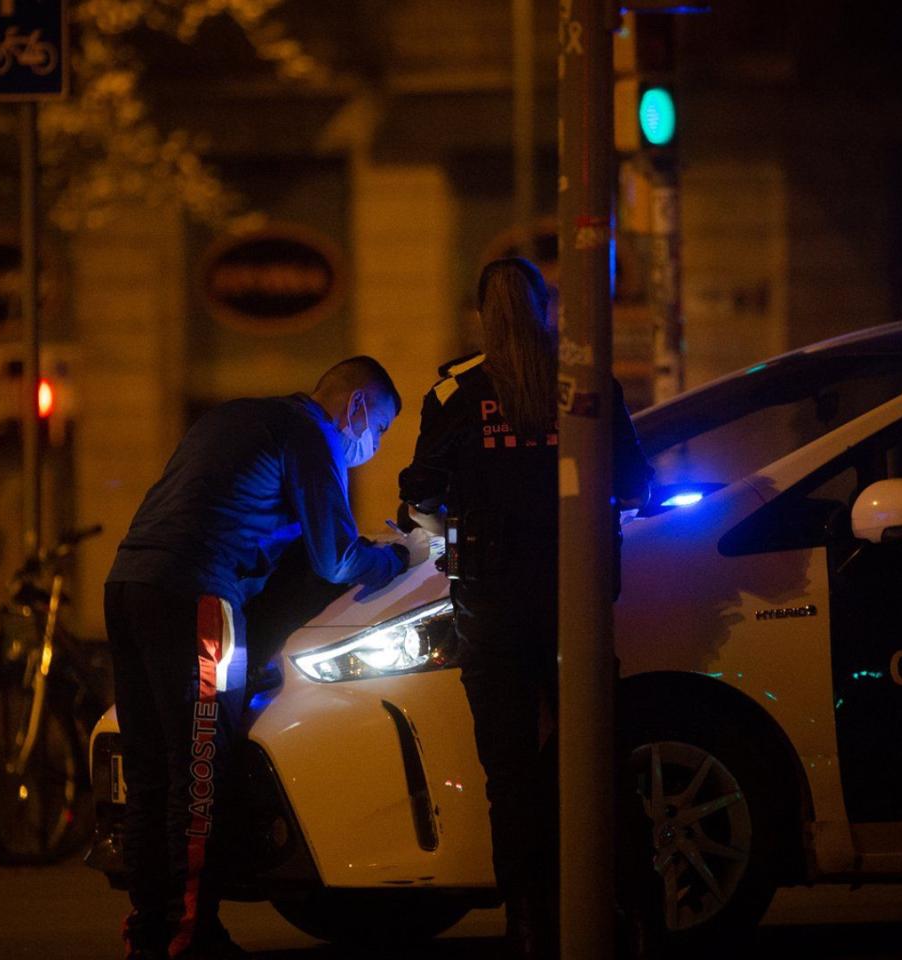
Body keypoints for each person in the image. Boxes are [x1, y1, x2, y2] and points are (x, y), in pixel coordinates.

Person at [105, 356, 434, 960]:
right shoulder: (310, 435)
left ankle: (149, 927)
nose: (373, 442)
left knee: (150, 774)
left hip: (127, 587)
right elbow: (335, 558)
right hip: (198, 597)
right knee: (199, 771)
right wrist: (398, 557)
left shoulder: (238, 418)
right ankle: (191, 933)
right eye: (380, 427)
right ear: (356, 406)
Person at [397, 259, 652, 959]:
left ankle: (530, 922)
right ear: (546, 306)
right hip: (579, 597)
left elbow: (419, 494)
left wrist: (451, 524)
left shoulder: (455, 387)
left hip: (493, 600)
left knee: (508, 774)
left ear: (483, 311)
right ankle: (635, 911)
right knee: (598, 758)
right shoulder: (588, 384)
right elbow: (637, 485)